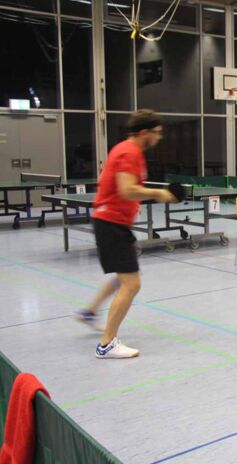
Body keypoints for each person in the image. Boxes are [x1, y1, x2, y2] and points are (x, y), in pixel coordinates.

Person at [75, 109, 176, 358]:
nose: (159, 137)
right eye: (156, 133)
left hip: (114, 222)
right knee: (132, 283)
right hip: (111, 224)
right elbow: (127, 189)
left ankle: (90, 311)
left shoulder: (125, 150)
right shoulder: (129, 152)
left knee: (123, 277)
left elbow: (114, 182)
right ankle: (106, 344)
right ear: (144, 132)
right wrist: (158, 193)